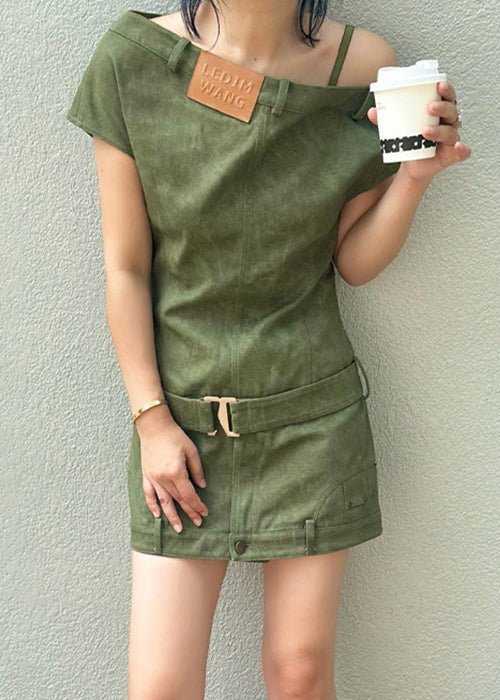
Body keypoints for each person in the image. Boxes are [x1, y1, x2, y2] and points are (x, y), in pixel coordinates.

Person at [66, 2, 471, 698]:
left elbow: (352, 261)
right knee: (160, 686)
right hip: (181, 429)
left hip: (312, 421)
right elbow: (126, 269)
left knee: (299, 675)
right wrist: (152, 421)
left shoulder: (362, 65)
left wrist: (413, 178)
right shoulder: (133, 60)